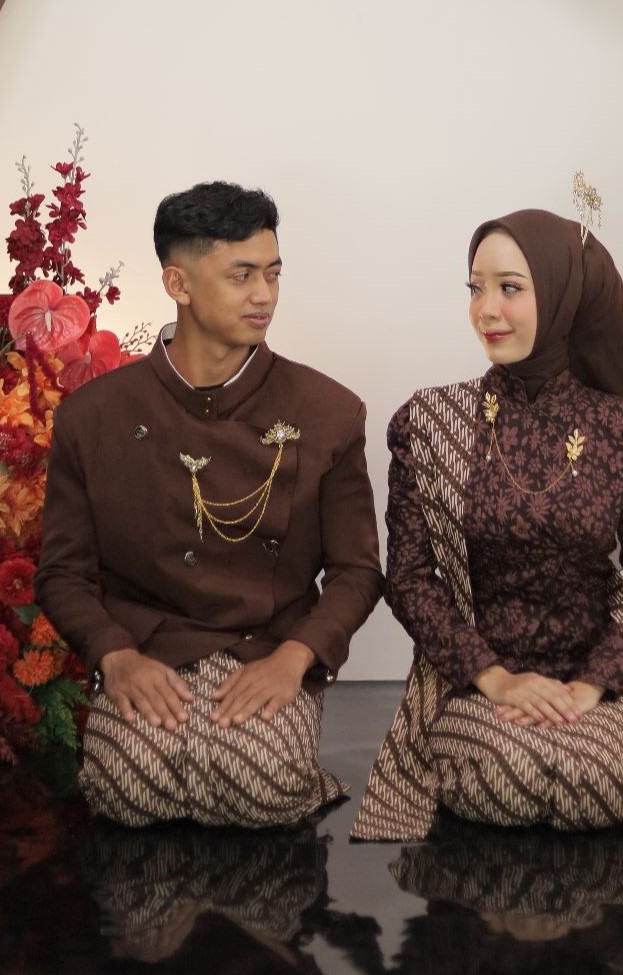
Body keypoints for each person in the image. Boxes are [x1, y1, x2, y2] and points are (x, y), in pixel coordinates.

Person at [350, 209, 623, 846]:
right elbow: (408, 577)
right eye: (475, 288)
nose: (486, 309)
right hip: (475, 685)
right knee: (509, 778)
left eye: (510, 288)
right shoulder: (431, 422)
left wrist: (590, 687)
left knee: (592, 780)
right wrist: (494, 678)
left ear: (565, 295)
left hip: (597, 688)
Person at [37, 181, 383, 828]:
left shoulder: (328, 412)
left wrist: (294, 659)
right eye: (241, 275)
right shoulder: (94, 416)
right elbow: (62, 572)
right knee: (127, 789)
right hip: (148, 646)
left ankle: (296, 780)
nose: (264, 295)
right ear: (179, 283)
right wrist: (114, 655)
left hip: (268, 647)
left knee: (258, 787)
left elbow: (357, 571)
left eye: (273, 274)